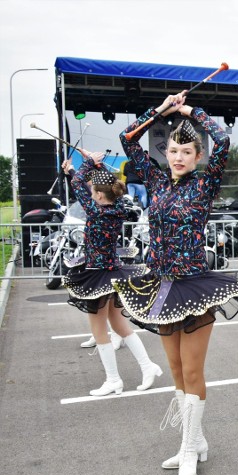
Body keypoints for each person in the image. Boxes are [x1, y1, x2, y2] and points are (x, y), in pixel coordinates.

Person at [115, 92, 238, 475]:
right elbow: (128, 138)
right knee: (176, 369)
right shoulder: (158, 180)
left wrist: (190, 112)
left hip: (194, 287)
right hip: (160, 286)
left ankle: (190, 448)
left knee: (193, 369)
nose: (178, 157)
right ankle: (192, 443)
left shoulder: (205, 183)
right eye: (173, 150)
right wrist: (161, 110)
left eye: (186, 151)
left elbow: (225, 141)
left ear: (198, 156)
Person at [62, 152, 160, 396]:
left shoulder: (96, 212)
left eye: (93, 191)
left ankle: (114, 380)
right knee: (119, 324)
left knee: (100, 329)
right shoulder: (117, 207)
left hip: (97, 274)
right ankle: (148, 366)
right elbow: (84, 184)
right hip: (113, 272)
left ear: (97, 195)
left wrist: (83, 165)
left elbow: (78, 185)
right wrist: (89, 166)